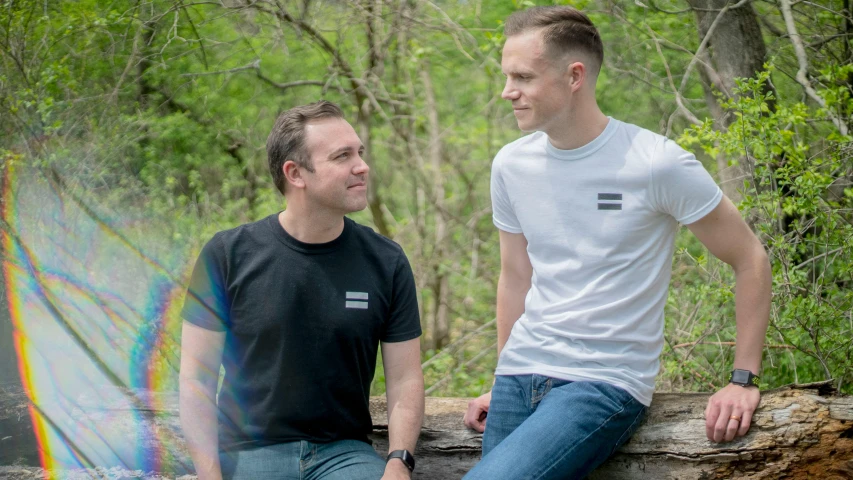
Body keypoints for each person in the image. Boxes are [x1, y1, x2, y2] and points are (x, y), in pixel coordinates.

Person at [462, 6, 771, 479]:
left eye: (522, 77)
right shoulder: (511, 165)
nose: (507, 92)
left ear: (574, 76)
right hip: (519, 374)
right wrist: (501, 375)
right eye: (507, 76)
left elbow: (749, 257)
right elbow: (516, 276)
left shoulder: (654, 162)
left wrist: (742, 379)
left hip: (603, 382)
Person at [178, 100, 424, 480]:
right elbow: (196, 380)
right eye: (342, 156)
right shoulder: (227, 256)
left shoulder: (386, 261)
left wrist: (398, 461)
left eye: (359, 152)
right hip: (248, 453)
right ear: (295, 173)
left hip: (344, 455)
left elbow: (405, 378)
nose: (362, 165)